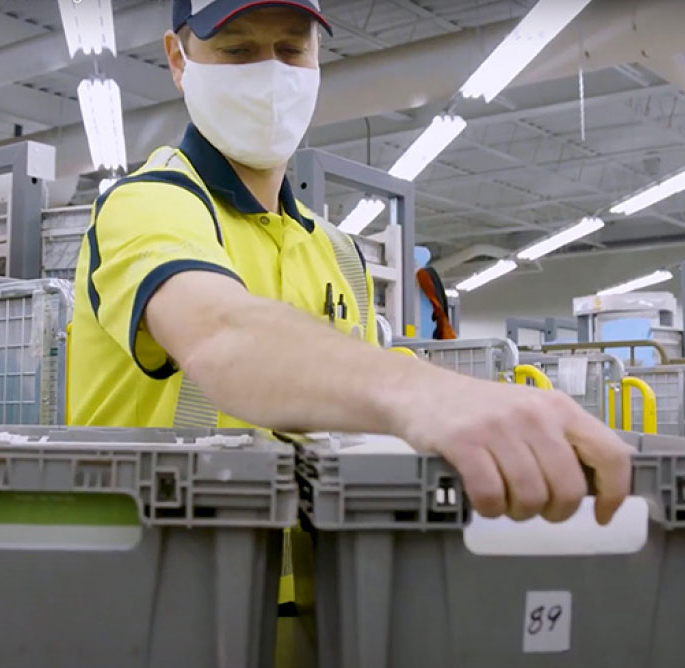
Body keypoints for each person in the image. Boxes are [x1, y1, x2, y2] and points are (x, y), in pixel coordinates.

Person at [69, 0, 632, 525]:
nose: (270, 75)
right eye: (237, 51)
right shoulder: (147, 205)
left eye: (291, 51)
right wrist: (424, 392)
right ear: (178, 58)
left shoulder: (338, 253)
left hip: (320, 609)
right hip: (165, 601)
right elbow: (222, 335)